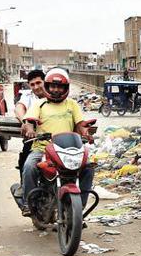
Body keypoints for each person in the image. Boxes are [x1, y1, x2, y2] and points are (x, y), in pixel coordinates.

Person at [20, 68, 92, 217]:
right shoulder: (39, 104)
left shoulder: (72, 104)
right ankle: (29, 203)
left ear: (66, 88)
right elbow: (29, 122)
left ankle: (80, 206)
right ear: (47, 87)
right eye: (52, 86)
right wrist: (30, 130)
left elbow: (80, 124)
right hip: (42, 149)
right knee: (29, 167)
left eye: (60, 87)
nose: (56, 90)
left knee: (88, 168)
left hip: (69, 149)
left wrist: (86, 133)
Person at [14, 70, 46, 181]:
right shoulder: (29, 97)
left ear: (45, 81)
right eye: (32, 84)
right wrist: (25, 122)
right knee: (26, 164)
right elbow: (19, 108)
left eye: (38, 83)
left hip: (57, 138)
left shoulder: (55, 95)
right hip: (36, 139)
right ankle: (26, 192)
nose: (36, 87)